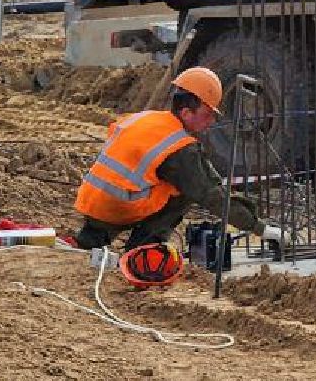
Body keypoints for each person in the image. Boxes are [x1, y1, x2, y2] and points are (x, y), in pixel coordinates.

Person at [71, 66, 261, 258]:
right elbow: (211, 195)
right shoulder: (179, 146)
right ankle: (143, 250)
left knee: (156, 179)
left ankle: (90, 238)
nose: (211, 121)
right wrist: (258, 227)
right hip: (120, 207)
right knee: (186, 189)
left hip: (92, 202)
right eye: (207, 115)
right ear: (186, 113)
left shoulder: (144, 118)